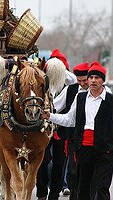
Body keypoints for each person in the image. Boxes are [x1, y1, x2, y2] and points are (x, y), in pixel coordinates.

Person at [42, 61, 113, 200]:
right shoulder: (80, 98)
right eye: (91, 77)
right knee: (83, 187)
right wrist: (50, 116)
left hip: (104, 150)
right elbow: (69, 120)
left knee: (101, 187)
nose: (93, 80)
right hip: (84, 149)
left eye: (97, 78)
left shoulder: (110, 99)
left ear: (102, 81)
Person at [36, 49, 75, 200]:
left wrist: (59, 67)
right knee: (42, 161)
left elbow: (73, 78)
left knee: (59, 163)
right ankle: (41, 193)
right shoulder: (43, 84)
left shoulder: (68, 84)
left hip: (62, 128)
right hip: (43, 127)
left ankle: (54, 193)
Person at [54, 62, 90, 200]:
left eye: (84, 80)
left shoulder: (105, 93)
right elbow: (57, 108)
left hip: (94, 141)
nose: (82, 84)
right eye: (79, 81)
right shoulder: (70, 90)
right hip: (74, 139)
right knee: (73, 172)